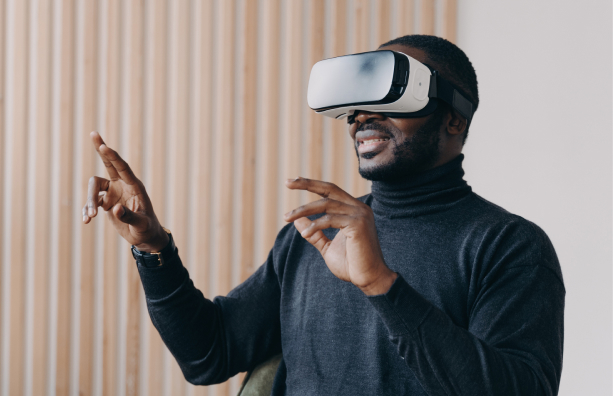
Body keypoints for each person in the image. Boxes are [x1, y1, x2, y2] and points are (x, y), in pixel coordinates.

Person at [82, 35, 565, 395]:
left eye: (391, 97)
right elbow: (208, 355)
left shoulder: (508, 245)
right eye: (355, 104)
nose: (360, 117)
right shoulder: (317, 234)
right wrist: (153, 249)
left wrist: (382, 285)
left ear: (454, 118)